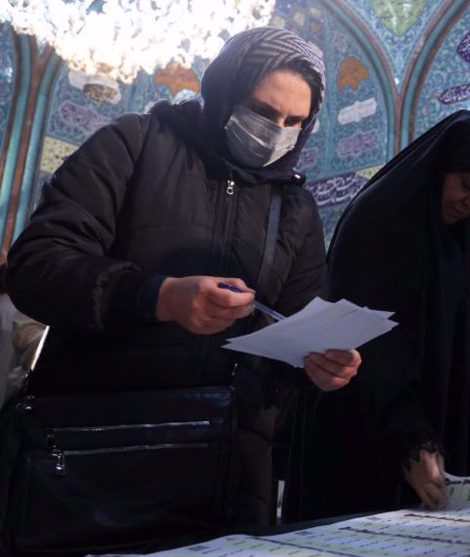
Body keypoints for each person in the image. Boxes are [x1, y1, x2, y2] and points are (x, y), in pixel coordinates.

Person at [4, 26, 361, 549]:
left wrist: (319, 363)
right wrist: (157, 296)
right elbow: (36, 266)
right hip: (97, 454)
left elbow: (293, 324)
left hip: (227, 472)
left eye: (294, 122)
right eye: (263, 111)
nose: (276, 130)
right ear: (224, 91)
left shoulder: (294, 206)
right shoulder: (133, 145)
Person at [285, 110, 470, 519]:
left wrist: (467, 326)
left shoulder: (458, 233)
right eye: (468, 185)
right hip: (364, 429)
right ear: (441, 166)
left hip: (427, 430)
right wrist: (410, 441)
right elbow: (365, 344)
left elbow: (440, 306)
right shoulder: (380, 220)